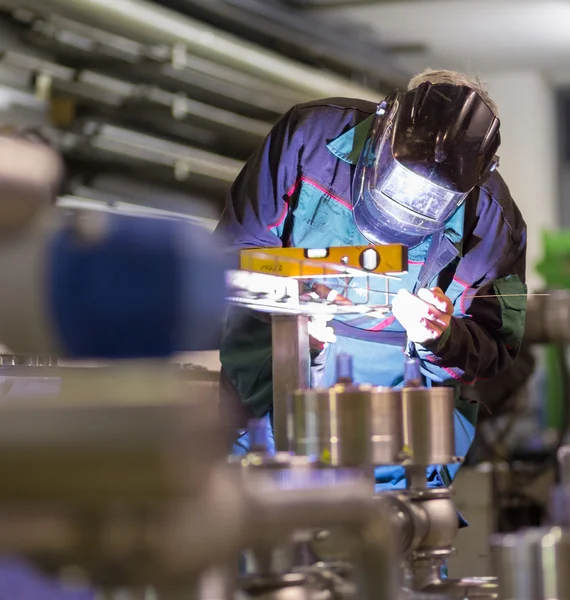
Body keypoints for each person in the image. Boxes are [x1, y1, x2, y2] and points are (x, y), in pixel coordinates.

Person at [216, 68, 527, 501]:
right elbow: (230, 261)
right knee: (262, 540)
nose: (411, 205)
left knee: (401, 545)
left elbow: (496, 350)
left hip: (401, 433)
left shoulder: (495, 226)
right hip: (271, 392)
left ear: (476, 177)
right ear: (387, 126)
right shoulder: (310, 139)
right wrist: (293, 305)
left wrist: (442, 335)